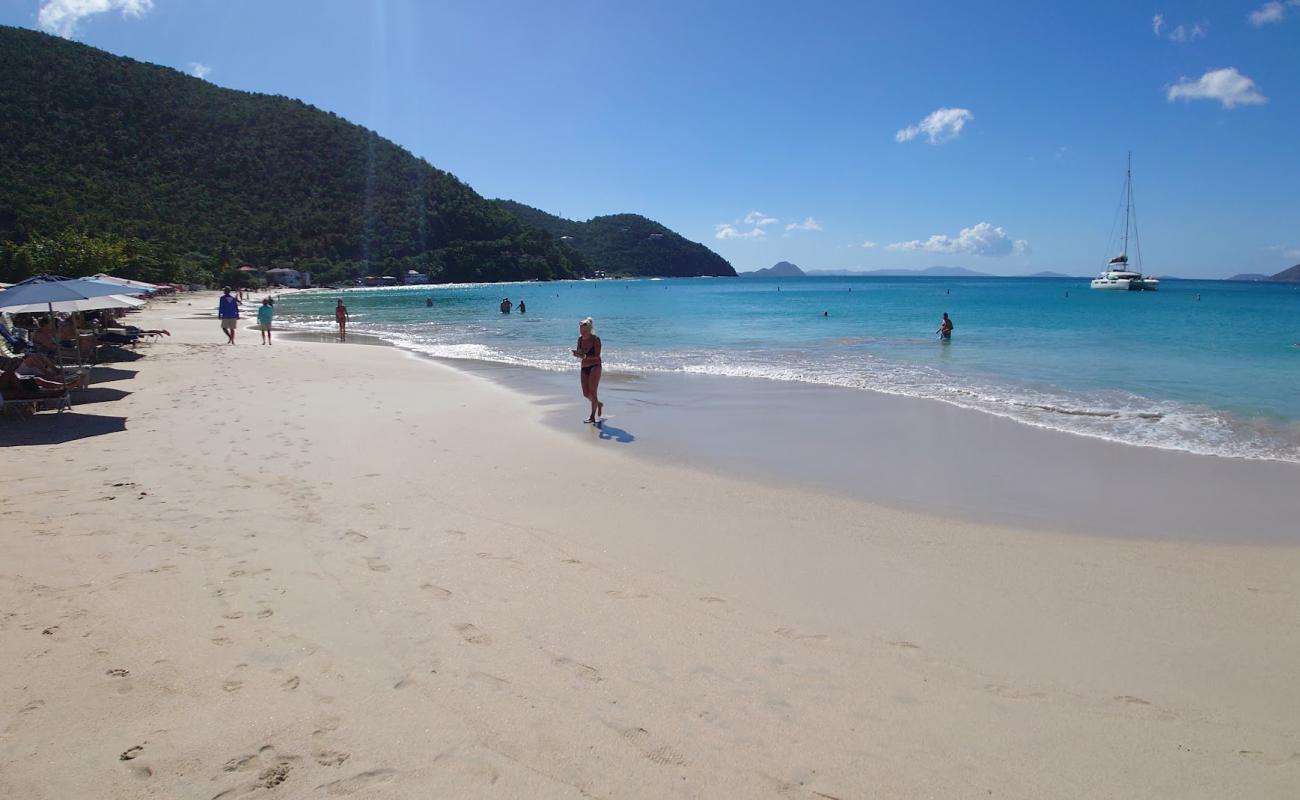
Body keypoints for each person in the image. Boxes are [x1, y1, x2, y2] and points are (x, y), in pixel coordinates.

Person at [571, 316, 603, 423]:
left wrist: (584, 357)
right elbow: (581, 354)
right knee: (586, 393)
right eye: (580, 330)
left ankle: (592, 416)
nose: (582, 332)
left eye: (584, 331)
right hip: (584, 366)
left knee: (593, 392)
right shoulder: (580, 339)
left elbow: (597, 356)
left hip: (595, 366)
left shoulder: (596, 339)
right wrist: (577, 354)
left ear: (589, 330)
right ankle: (598, 404)